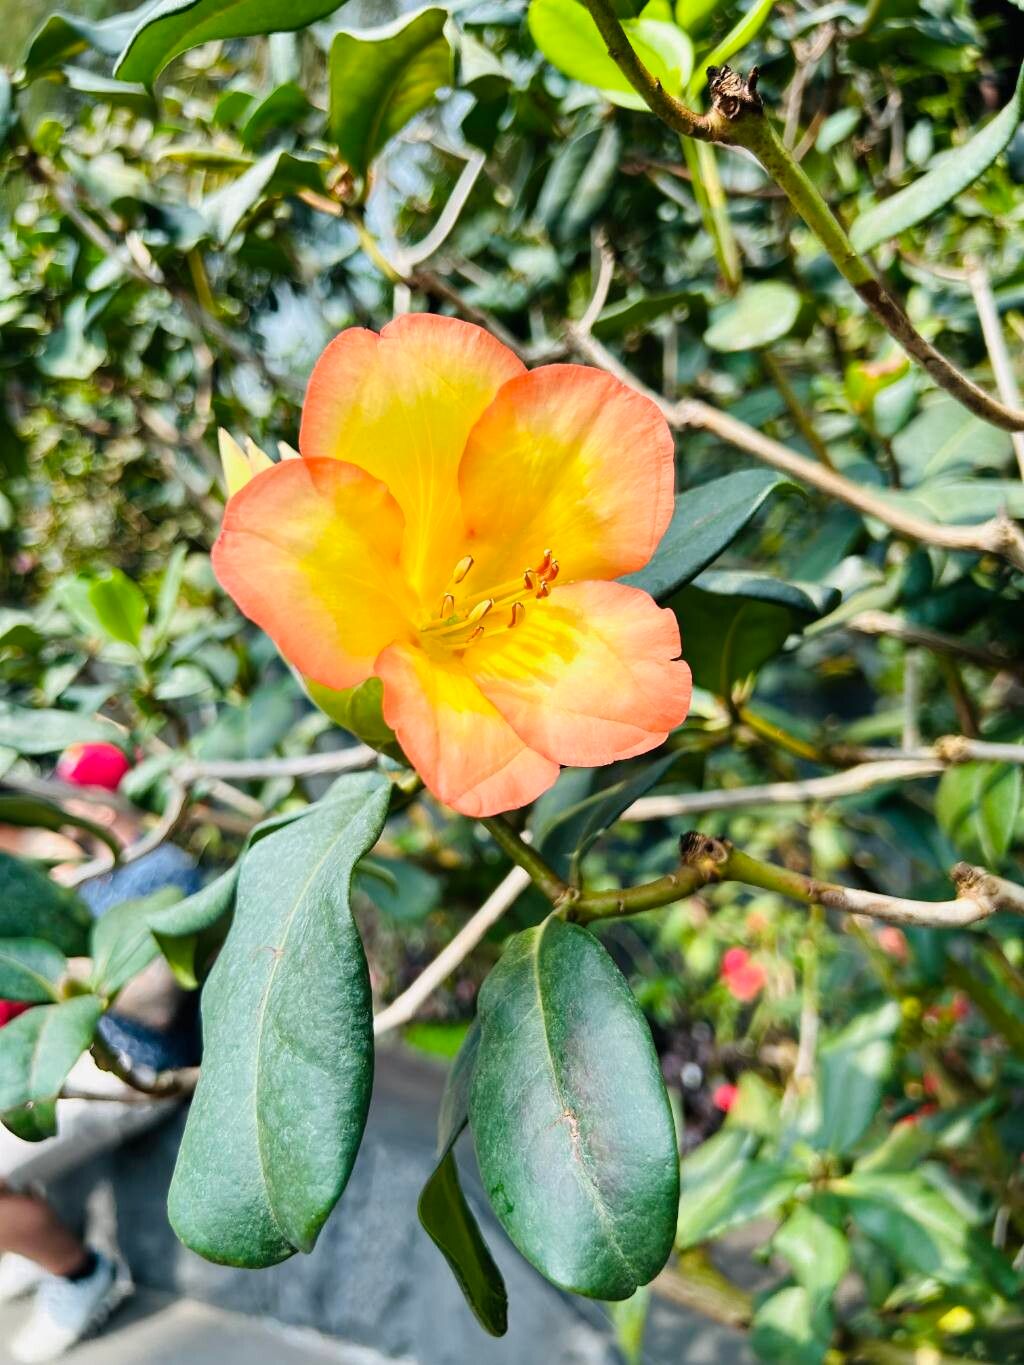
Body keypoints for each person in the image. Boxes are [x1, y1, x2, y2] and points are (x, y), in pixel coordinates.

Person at [0, 753, 202, 1360]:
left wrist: (59, 967)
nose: (63, 811)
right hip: (79, 1052)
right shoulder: (95, 870)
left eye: (72, 797)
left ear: (103, 806)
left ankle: (81, 1276)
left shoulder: (164, 874)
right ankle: (33, 1248)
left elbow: (157, 1001)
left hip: (137, 1066)